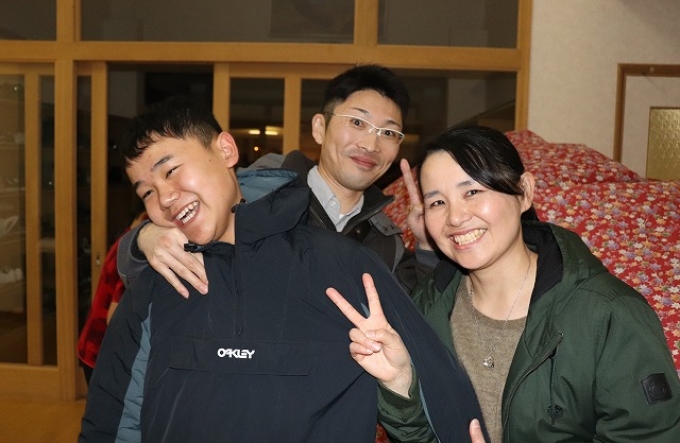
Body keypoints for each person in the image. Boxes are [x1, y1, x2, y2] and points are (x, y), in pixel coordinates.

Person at [78, 96, 487, 442]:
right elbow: (113, 417)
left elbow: (436, 383)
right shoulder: (157, 284)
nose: (165, 198)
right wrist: (141, 239)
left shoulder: (343, 263)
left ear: (226, 151)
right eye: (147, 192)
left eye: (170, 171)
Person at [330, 126, 680, 442]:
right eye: (437, 202)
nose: (455, 217)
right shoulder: (428, 307)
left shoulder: (608, 315)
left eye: (472, 191)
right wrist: (400, 383)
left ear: (524, 192)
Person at [115, 64, 438, 297]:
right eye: (357, 122)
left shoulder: (388, 240)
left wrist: (427, 245)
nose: (370, 144)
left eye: (389, 133)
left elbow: (421, 319)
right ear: (319, 128)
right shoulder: (257, 193)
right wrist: (144, 239)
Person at [76, 204, 147, 384]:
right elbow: (115, 318)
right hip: (102, 351)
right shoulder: (136, 254)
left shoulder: (127, 237)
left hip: (93, 345)